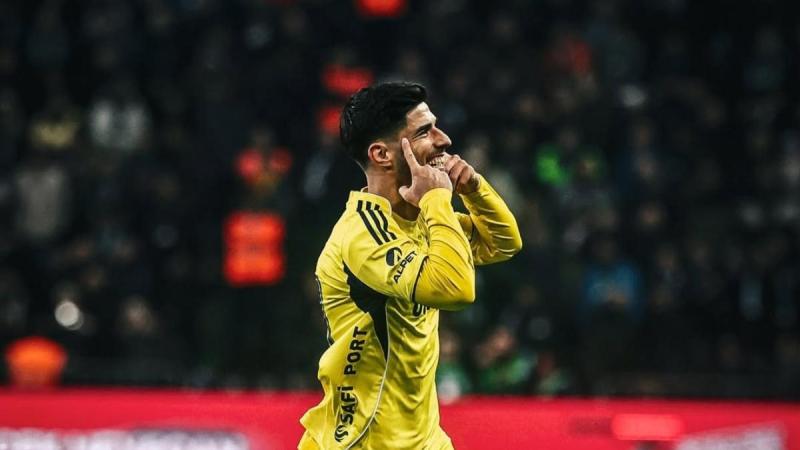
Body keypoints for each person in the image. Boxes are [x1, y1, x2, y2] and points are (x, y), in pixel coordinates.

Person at [298, 81, 522, 449]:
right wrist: (436, 199)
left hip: (425, 439)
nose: (443, 139)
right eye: (424, 132)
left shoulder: (419, 218)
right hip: (367, 440)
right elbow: (455, 290)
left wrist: (474, 189)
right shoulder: (363, 235)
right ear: (381, 154)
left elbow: (503, 243)